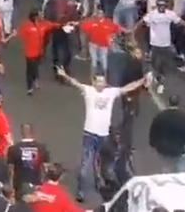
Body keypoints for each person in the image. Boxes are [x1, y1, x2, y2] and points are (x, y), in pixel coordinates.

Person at [54, 66, 148, 203]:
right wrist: (64, 75)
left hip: (104, 136)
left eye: (102, 82)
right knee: (85, 164)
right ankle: (81, 190)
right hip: (90, 134)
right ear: (93, 82)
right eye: (98, 81)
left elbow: (128, 87)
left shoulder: (111, 92)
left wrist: (142, 80)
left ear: (105, 82)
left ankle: (99, 181)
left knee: (100, 162)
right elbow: (75, 83)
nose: (100, 84)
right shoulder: (89, 91)